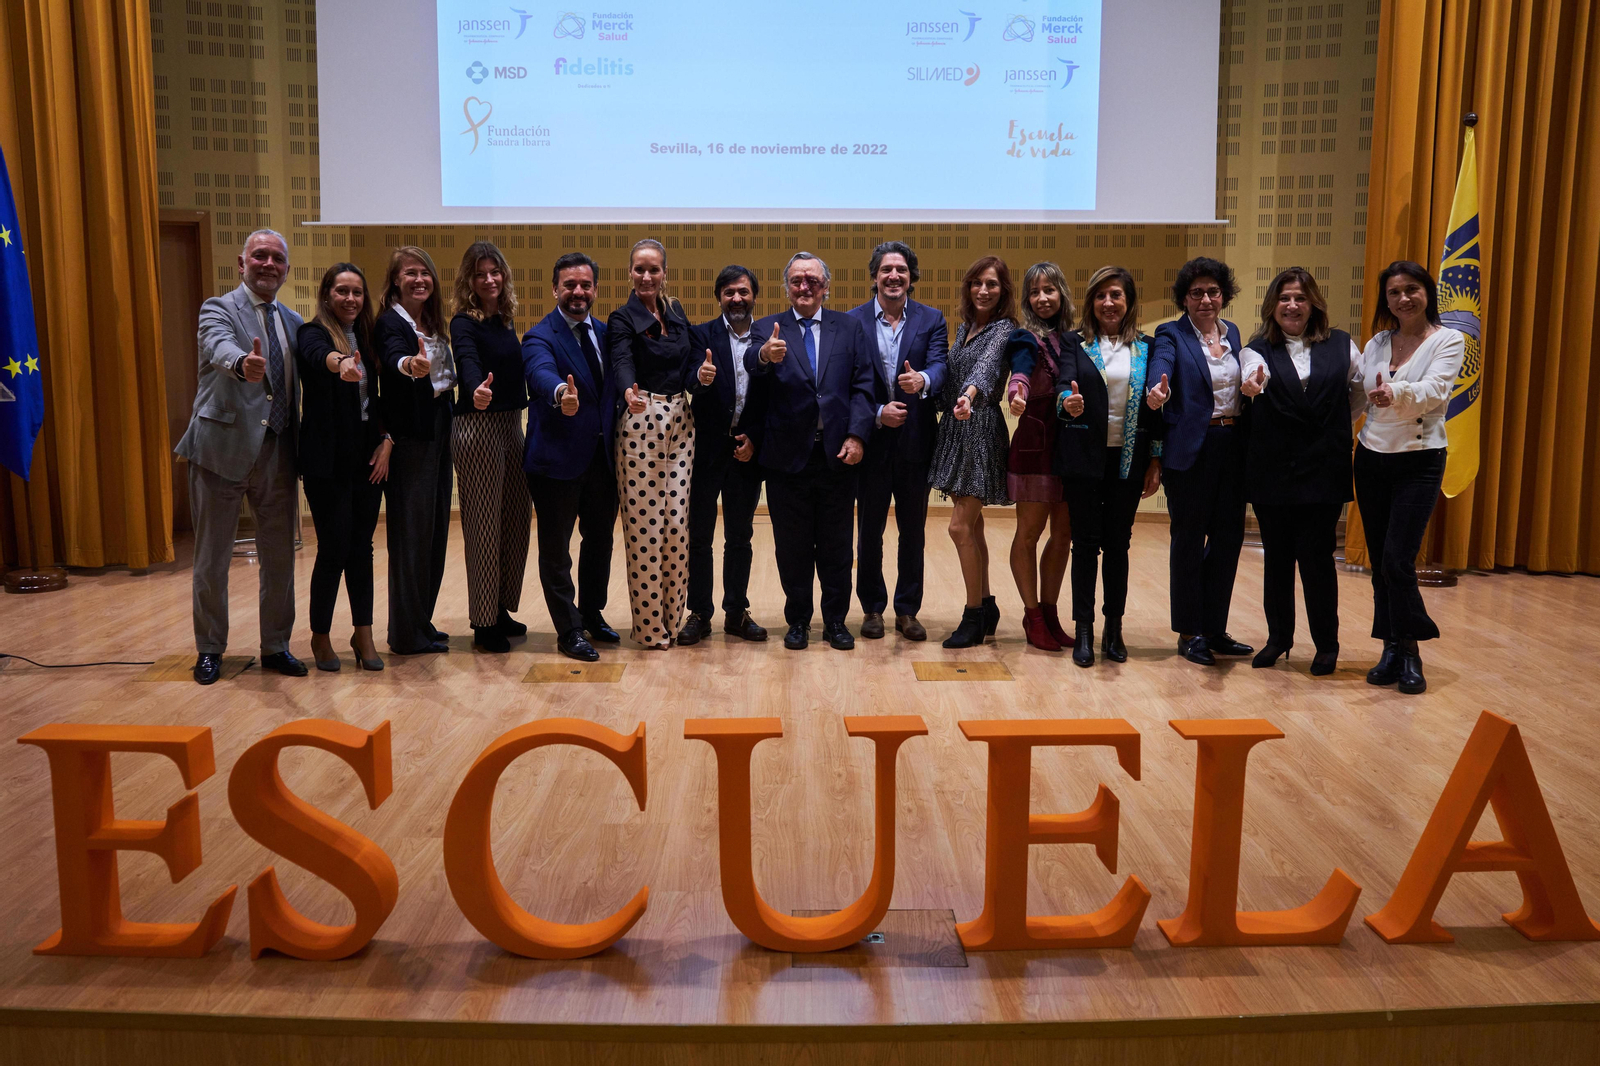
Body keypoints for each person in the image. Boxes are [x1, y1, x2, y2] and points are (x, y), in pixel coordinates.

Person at [175, 229, 307, 684]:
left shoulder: (293, 321)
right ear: (241, 262)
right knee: (212, 558)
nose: (268, 264)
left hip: (279, 454)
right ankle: (210, 649)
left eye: (277, 258)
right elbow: (217, 347)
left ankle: (276, 646)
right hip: (221, 451)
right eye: (260, 256)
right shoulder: (218, 308)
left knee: (280, 559)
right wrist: (241, 363)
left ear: (286, 269)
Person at [746, 252, 875, 651]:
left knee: (837, 545)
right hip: (788, 458)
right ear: (787, 286)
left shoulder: (850, 327)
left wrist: (857, 435)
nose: (805, 287)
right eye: (798, 280)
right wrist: (766, 355)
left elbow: (864, 386)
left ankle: (836, 621)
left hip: (837, 456)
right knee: (792, 546)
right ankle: (798, 620)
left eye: (813, 281)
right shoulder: (767, 328)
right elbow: (752, 363)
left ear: (826, 286)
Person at [1240, 267, 1364, 676]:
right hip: (1273, 470)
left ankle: (1326, 644)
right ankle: (1279, 639)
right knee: (1277, 559)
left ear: (1313, 305)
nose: (1291, 305)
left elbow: (1358, 396)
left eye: (1300, 298)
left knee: (1318, 559)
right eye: (1284, 298)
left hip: (1323, 469)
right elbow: (1251, 382)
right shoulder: (1255, 349)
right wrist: (1253, 386)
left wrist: (1331, 428)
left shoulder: (1344, 345)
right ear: (1272, 307)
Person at [1351, 260, 1465, 695]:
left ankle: (1411, 649)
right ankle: (1390, 648)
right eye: (1395, 292)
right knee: (1381, 562)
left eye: (1412, 289)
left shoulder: (1448, 340)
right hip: (1372, 456)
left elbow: (1436, 393)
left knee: (1399, 559)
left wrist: (1395, 392)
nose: (1403, 298)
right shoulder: (1378, 341)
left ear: (1427, 293)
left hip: (1420, 459)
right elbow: (1358, 396)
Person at [1145, 256, 1254, 666]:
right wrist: (1159, 391)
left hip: (1232, 445)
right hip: (1192, 447)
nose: (1205, 299)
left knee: (1228, 541)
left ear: (1223, 295)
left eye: (1212, 291)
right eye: (1196, 293)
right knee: (1189, 541)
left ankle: (1214, 627)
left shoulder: (1235, 334)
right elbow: (1162, 366)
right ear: (1184, 298)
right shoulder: (1170, 333)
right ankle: (1190, 631)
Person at [1054, 266, 1164, 666]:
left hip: (1128, 460)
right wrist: (1067, 401)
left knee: (1118, 544)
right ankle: (1083, 629)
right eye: (1100, 295)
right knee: (1084, 544)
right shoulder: (1075, 342)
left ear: (1129, 301)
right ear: (1091, 303)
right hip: (1083, 457)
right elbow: (1064, 385)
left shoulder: (1148, 347)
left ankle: (1113, 630)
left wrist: (1156, 459)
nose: (1108, 303)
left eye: (1116, 294)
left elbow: (1156, 413)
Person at [929, 255, 1033, 648]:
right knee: (973, 526)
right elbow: (950, 373)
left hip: (980, 428)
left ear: (1003, 291)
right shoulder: (965, 328)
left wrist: (969, 396)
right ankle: (987, 604)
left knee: (958, 527)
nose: (983, 290)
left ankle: (972, 615)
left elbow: (986, 371)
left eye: (991, 284)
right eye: (977, 283)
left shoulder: (1004, 329)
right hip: (956, 427)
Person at [607, 239, 707, 649]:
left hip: (681, 422)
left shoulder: (675, 311)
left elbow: (684, 370)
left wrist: (699, 379)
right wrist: (628, 391)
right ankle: (649, 631)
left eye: (654, 269)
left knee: (676, 528)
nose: (646, 276)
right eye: (639, 269)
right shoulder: (621, 318)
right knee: (645, 530)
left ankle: (673, 619)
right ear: (630, 273)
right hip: (641, 420)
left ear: (665, 272)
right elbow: (620, 361)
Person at [521, 252, 621, 662]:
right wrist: (561, 393)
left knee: (599, 543)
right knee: (557, 550)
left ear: (595, 289)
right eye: (569, 285)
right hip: (556, 462)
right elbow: (540, 372)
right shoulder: (539, 335)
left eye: (585, 285)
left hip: (603, 460)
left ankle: (592, 614)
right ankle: (569, 628)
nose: (577, 292)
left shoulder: (606, 331)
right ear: (555, 289)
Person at [848, 240, 948, 642]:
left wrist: (923, 379)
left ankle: (908, 610)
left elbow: (941, 364)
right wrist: (875, 414)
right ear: (875, 276)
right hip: (870, 443)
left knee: (913, 533)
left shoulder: (931, 319)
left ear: (911, 277)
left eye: (901, 270)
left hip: (915, 443)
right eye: (886, 269)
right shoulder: (852, 321)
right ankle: (872, 608)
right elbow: (847, 382)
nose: (894, 276)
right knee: (868, 532)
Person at [295, 262, 390, 672]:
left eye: (357, 292)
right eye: (342, 291)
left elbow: (380, 400)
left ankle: (363, 632)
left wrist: (388, 440)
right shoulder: (312, 333)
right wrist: (340, 363)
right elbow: (320, 357)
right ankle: (319, 634)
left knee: (362, 549)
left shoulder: (368, 338)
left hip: (368, 459)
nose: (350, 299)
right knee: (333, 548)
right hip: (327, 462)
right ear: (327, 294)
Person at [450, 241, 532, 654]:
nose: (489, 279)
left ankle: (499, 607)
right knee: (484, 528)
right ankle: (483, 623)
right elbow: (466, 360)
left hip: (510, 426)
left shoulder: (503, 319)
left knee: (515, 521)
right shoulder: (465, 321)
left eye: (495, 272)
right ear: (470, 279)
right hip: (477, 428)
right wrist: (474, 389)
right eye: (480, 274)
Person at [375, 245, 456, 655]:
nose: (420, 279)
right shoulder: (391, 323)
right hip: (411, 438)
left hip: (439, 426)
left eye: (425, 272)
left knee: (434, 531)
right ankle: (406, 634)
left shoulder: (431, 320)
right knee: (411, 536)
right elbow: (393, 359)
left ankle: (421, 621)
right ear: (395, 281)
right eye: (410, 273)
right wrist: (410, 364)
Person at [682, 265, 769, 645]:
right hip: (705, 452)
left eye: (744, 292)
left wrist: (758, 441)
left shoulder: (769, 339)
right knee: (698, 538)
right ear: (719, 296)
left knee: (740, 537)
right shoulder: (700, 335)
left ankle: (736, 612)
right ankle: (699, 613)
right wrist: (697, 381)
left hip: (746, 452)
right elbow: (687, 380)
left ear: (754, 297)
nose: (737, 298)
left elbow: (774, 401)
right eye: (730, 292)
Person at [1006, 261, 1073, 651]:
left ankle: (1050, 612)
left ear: (1062, 292)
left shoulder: (1078, 339)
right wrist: (1017, 391)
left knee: (1063, 534)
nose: (1042, 297)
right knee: (1029, 534)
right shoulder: (1024, 337)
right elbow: (1021, 369)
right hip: (1035, 446)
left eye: (1049, 289)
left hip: (1072, 448)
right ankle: (1032, 616)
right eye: (1034, 291)